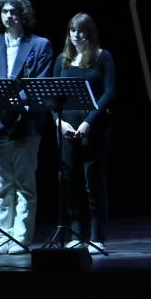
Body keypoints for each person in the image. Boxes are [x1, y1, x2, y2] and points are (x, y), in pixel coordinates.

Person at [0, 0, 54, 254]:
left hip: (26, 124)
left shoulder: (40, 44)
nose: (9, 16)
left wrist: (14, 101)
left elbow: (40, 83)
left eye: (14, 11)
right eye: (5, 11)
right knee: (0, 187)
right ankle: (3, 238)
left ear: (23, 15)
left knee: (24, 185)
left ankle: (20, 238)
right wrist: (0, 101)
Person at [54, 13, 116, 253]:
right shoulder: (62, 59)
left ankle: (96, 236)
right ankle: (76, 233)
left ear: (89, 33)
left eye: (81, 31)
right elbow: (52, 96)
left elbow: (109, 92)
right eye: (73, 30)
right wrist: (59, 123)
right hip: (67, 127)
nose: (76, 35)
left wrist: (89, 122)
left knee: (94, 180)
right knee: (71, 181)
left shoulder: (102, 56)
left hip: (94, 126)